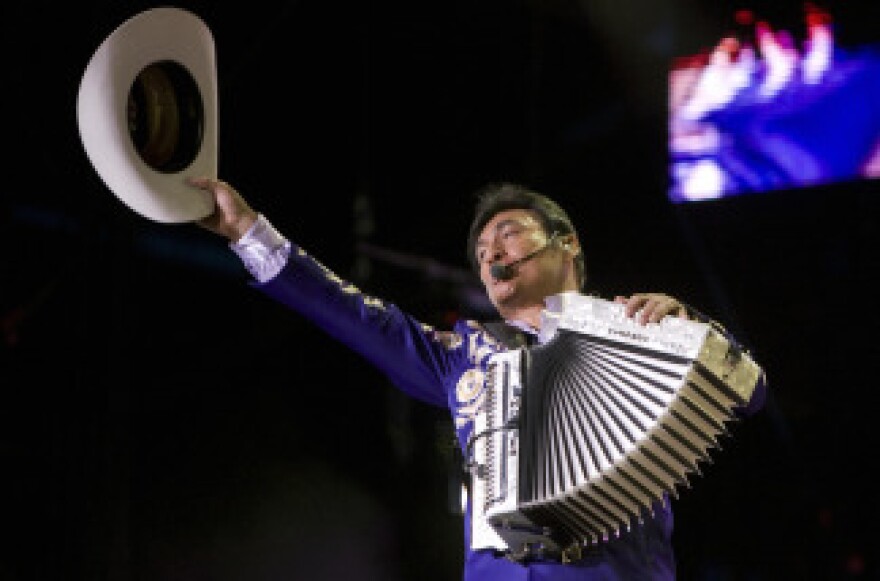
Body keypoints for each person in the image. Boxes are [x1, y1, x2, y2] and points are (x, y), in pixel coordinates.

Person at [185, 176, 767, 580]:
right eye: (482, 250)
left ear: (568, 243)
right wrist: (247, 232)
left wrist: (694, 327)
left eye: (508, 234)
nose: (491, 254)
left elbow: (751, 394)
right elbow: (356, 316)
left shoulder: (638, 327)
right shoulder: (466, 353)